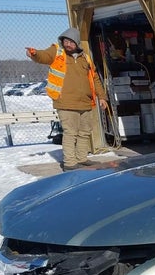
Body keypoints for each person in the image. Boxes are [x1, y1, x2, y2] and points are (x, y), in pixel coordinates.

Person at [26, 28, 109, 170]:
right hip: (65, 102)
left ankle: (81, 158)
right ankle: (70, 163)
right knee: (70, 132)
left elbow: (94, 78)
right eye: (65, 41)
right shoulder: (57, 52)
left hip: (86, 102)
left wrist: (102, 97)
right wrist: (34, 54)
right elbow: (43, 56)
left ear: (76, 42)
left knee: (84, 132)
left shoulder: (86, 58)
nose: (68, 44)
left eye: (71, 42)